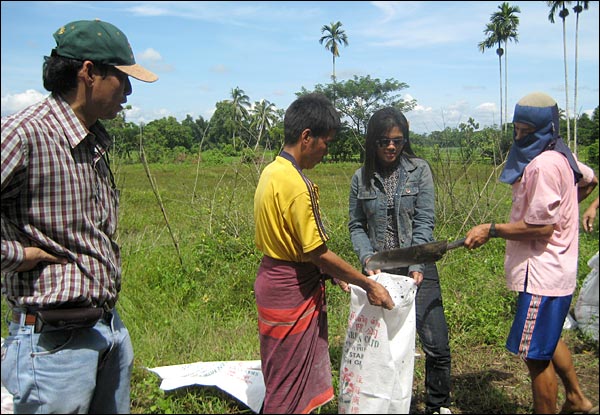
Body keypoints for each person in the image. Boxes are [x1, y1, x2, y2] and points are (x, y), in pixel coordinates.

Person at [1, 19, 157, 414]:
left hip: (105, 329)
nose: (129, 91)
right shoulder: (25, 135)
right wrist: (22, 256)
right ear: (88, 72)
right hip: (53, 345)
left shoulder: (92, 141)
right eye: (122, 78)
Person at [253, 93, 395, 414]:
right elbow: (317, 252)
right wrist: (366, 283)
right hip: (292, 290)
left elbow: (294, 243)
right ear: (307, 138)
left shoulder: (272, 171)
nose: (326, 151)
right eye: (325, 143)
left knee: (279, 377)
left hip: (272, 280)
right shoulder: (297, 185)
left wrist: (329, 274)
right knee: (288, 387)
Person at [463, 92, 598, 414]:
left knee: (535, 357)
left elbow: (541, 228)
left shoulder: (542, 165)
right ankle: (578, 398)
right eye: (517, 130)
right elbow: (590, 179)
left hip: (542, 272)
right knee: (546, 340)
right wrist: (570, 210)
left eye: (528, 131)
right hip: (558, 270)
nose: (521, 137)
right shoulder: (563, 154)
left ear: (545, 128)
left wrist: (490, 229)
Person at [348, 107, 452, 414]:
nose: (391, 147)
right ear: (372, 143)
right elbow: (356, 225)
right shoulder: (360, 178)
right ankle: (383, 402)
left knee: (436, 343)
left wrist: (418, 264)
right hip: (380, 270)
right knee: (380, 345)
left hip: (419, 266)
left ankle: (438, 405)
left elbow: (424, 221)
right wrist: (368, 258)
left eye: (398, 140)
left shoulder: (419, 170)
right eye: (384, 141)